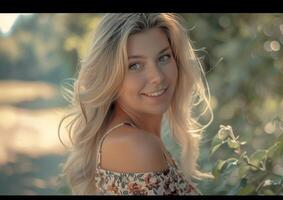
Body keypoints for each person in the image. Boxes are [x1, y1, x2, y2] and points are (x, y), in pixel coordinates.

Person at [58, 13, 213, 195]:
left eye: (163, 57)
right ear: (110, 76)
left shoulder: (132, 137)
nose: (157, 77)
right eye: (135, 66)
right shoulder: (135, 145)